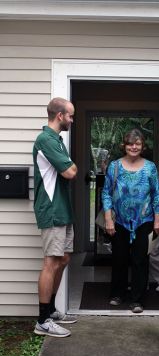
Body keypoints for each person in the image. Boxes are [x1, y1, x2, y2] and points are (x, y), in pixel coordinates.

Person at [102, 128, 159, 313]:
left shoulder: (150, 167)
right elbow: (106, 193)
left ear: (142, 146)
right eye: (130, 144)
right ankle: (117, 294)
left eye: (137, 144)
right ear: (124, 146)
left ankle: (137, 300)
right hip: (119, 221)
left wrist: (158, 220)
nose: (134, 147)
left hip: (144, 221)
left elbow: (157, 194)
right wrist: (108, 219)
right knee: (119, 259)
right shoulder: (115, 166)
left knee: (140, 261)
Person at [33, 97, 78, 338]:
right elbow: (70, 172)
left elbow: (67, 169)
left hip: (62, 209)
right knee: (51, 262)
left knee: (64, 258)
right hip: (51, 210)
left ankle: (50, 311)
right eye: (70, 115)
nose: (72, 120)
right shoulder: (45, 140)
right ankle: (42, 321)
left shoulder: (57, 141)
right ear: (60, 115)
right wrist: (71, 166)